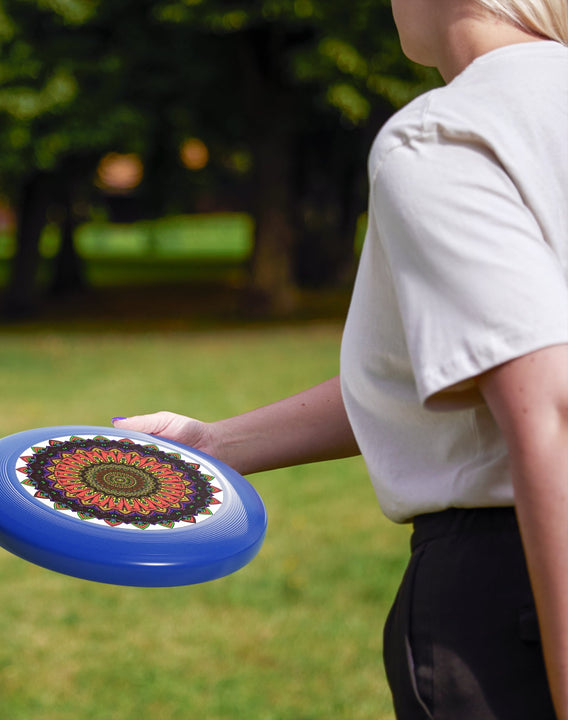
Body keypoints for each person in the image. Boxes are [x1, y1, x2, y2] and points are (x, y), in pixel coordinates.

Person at [112, 1, 568, 717]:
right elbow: (457, 370)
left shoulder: (448, 134)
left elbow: (550, 409)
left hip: (517, 595)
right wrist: (216, 444)